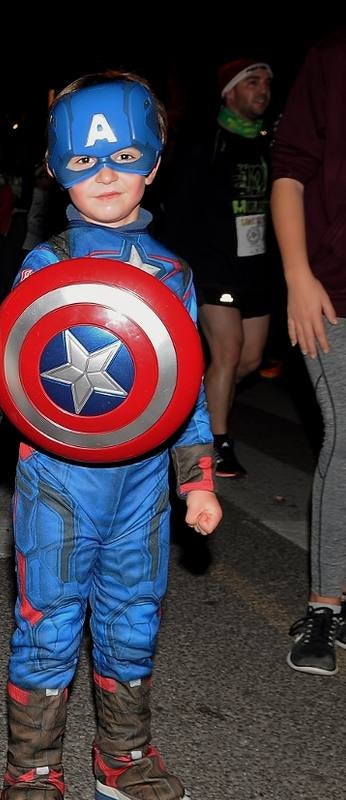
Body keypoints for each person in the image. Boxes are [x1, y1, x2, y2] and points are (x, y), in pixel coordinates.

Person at [0, 74, 221, 800]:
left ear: (154, 163)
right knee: (48, 626)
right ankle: (32, 779)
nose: (107, 174)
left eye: (125, 155)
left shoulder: (173, 275)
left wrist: (198, 479)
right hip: (58, 478)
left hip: (145, 485)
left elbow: (183, 388)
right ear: (55, 168)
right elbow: (3, 357)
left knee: (133, 618)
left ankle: (123, 762)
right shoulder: (43, 267)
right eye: (86, 161)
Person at [162, 59, 277, 478]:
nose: (262, 89)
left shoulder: (269, 144)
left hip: (256, 270)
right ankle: (217, 442)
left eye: (266, 81)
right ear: (229, 91)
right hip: (214, 267)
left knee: (249, 359)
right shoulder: (206, 143)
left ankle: (192, 414)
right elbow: (178, 210)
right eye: (252, 81)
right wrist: (180, 268)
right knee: (226, 353)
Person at [272, 32, 346, 676]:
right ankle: (325, 606)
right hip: (335, 290)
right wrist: (298, 275)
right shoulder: (330, 60)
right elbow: (290, 171)